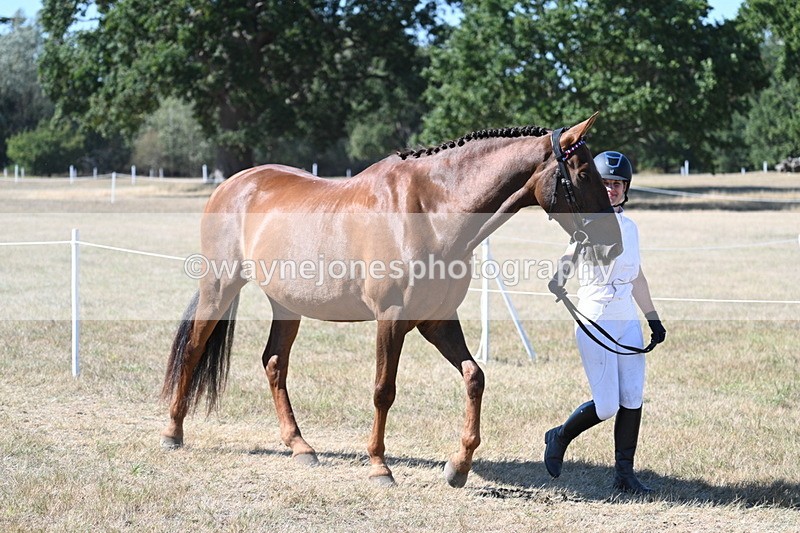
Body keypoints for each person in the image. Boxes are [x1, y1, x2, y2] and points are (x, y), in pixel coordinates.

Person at [544, 150, 666, 493]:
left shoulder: (631, 228)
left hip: (626, 316)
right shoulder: (587, 222)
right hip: (595, 315)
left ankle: (624, 475)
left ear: (626, 189)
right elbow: (568, 256)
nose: (611, 189)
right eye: (606, 183)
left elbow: (636, 276)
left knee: (632, 397)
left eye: (617, 184)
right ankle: (559, 436)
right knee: (608, 404)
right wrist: (559, 277)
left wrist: (652, 319)